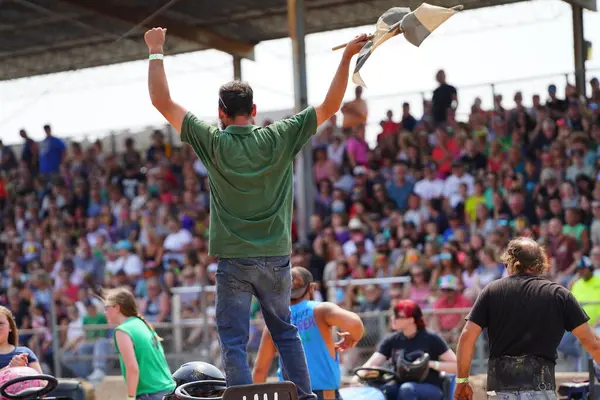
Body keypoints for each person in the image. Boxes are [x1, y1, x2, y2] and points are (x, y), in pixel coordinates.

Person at [143, 26, 369, 400]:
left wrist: (155, 50)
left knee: (233, 338)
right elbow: (330, 107)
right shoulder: (279, 136)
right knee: (284, 331)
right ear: (254, 111)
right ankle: (305, 397)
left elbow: (161, 101)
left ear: (220, 113)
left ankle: (240, 396)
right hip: (277, 258)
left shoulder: (211, 140)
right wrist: (346, 58)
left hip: (233, 260)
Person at [454, 237, 600, 400]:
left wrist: (461, 381)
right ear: (541, 263)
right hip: (540, 389)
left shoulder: (491, 291)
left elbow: (467, 337)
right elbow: (593, 343)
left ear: (510, 262)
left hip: (499, 391)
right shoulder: (559, 295)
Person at [252, 267, 365, 400]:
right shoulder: (321, 310)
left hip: (289, 395)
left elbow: (260, 370)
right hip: (323, 395)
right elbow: (356, 323)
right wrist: (352, 338)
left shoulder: (275, 322)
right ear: (311, 288)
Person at [357, 299, 457, 400]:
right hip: (401, 386)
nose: (393, 318)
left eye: (397, 316)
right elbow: (370, 364)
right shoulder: (392, 340)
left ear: (411, 319)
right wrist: (357, 378)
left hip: (430, 387)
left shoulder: (431, 338)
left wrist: (430, 364)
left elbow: (456, 366)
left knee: (407, 389)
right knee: (386, 389)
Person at [103, 287, 175, 400]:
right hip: (168, 391)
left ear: (116, 308)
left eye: (106, 307)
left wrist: (130, 397)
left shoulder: (122, 330)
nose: (105, 312)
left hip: (150, 394)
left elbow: (132, 368)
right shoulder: (142, 323)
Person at [0, 306, 42, 373]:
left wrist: (24, 369)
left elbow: (43, 382)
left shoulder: (25, 353)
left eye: (0, 323)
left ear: (10, 327)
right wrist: (10, 368)